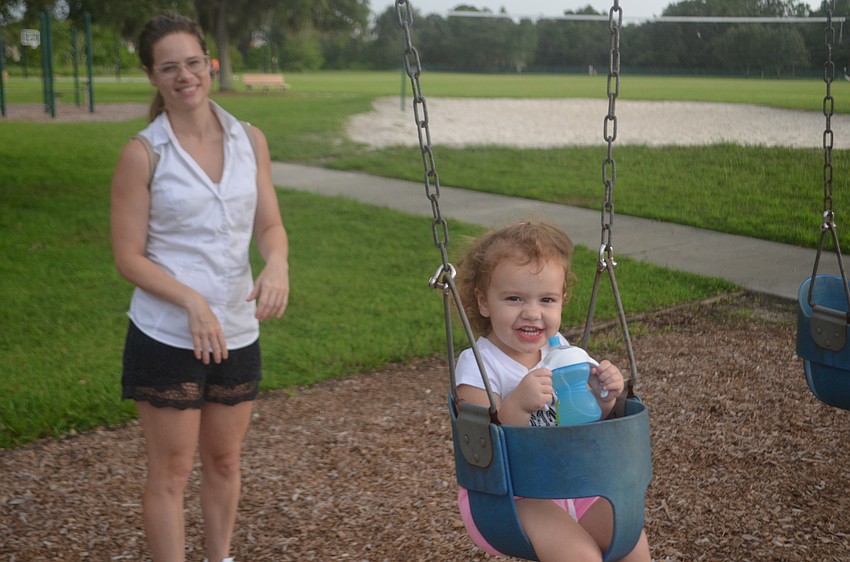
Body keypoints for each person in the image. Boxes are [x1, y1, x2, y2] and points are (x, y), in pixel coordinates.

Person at [109, 13, 289, 562]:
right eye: (169, 67)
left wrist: (277, 262)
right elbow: (127, 257)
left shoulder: (249, 139)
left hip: (236, 327)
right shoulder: (143, 153)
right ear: (152, 76)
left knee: (225, 462)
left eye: (192, 63)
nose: (184, 76)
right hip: (167, 334)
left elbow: (269, 225)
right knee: (170, 473)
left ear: (209, 64)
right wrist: (190, 300)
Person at [454, 221, 651, 562]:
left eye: (546, 299)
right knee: (580, 555)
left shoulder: (562, 350)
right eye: (514, 298)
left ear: (562, 301)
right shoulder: (478, 364)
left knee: (630, 539)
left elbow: (586, 418)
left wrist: (604, 397)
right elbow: (482, 442)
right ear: (484, 302)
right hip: (510, 495)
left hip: (573, 481)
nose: (532, 313)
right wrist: (517, 405)